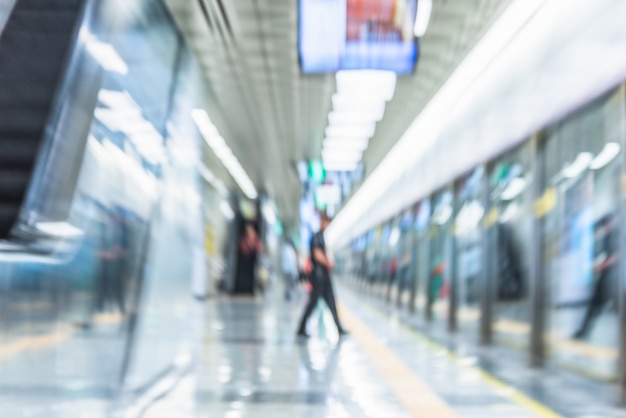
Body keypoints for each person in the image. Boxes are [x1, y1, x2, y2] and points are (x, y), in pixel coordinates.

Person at [296, 212, 348, 338]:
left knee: (330, 301)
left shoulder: (322, 237)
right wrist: (328, 262)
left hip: (323, 276)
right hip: (319, 277)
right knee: (313, 302)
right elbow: (317, 254)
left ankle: (338, 327)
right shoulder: (316, 237)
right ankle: (301, 328)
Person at [573, 215, 618, 339]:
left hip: (613, 279)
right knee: (594, 307)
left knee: (597, 306)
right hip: (607, 278)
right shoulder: (607, 236)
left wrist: (601, 266)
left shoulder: (616, 235)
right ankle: (582, 332)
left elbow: (616, 256)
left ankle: (582, 331)